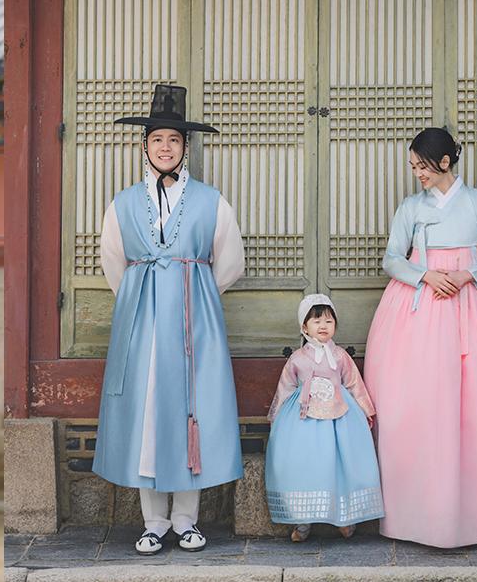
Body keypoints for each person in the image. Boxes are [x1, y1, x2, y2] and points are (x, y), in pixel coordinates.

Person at [363, 127, 477, 548]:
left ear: (444, 162)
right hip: (419, 303)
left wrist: (467, 275)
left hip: (472, 302)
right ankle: (420, 514)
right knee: (418, 402)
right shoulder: (411, 207)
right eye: (413, 167)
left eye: (422, 166)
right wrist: (425, 275)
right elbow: (392, 258)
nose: (417, 174)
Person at [92, 84, 245, 556]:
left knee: (189, 411)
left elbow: (229, 263)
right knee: (148, 416)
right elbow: (114, 262)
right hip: (142, 325)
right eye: (157, 139)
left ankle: (186, 520)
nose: (165, 147)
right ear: (145, 146)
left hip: (193, 322)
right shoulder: (122, 203)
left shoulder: (211, 201)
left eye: (174, 140)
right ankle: (153, 522)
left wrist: (193, 293)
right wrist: (143, 296)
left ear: (185, 147)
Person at [265, 294, 383, 542]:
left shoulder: (340, 356)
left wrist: (365, 409)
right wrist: (277, 416)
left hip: (340, 419)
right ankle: (302, 521)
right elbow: (285, 387)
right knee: (304, 465)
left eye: (329, 321)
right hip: (303, 421)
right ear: (304, 326)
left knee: (341, 464)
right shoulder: (298, 358)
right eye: (316, 321)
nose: (323, 326)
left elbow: (354, 383)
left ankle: (345, 519)